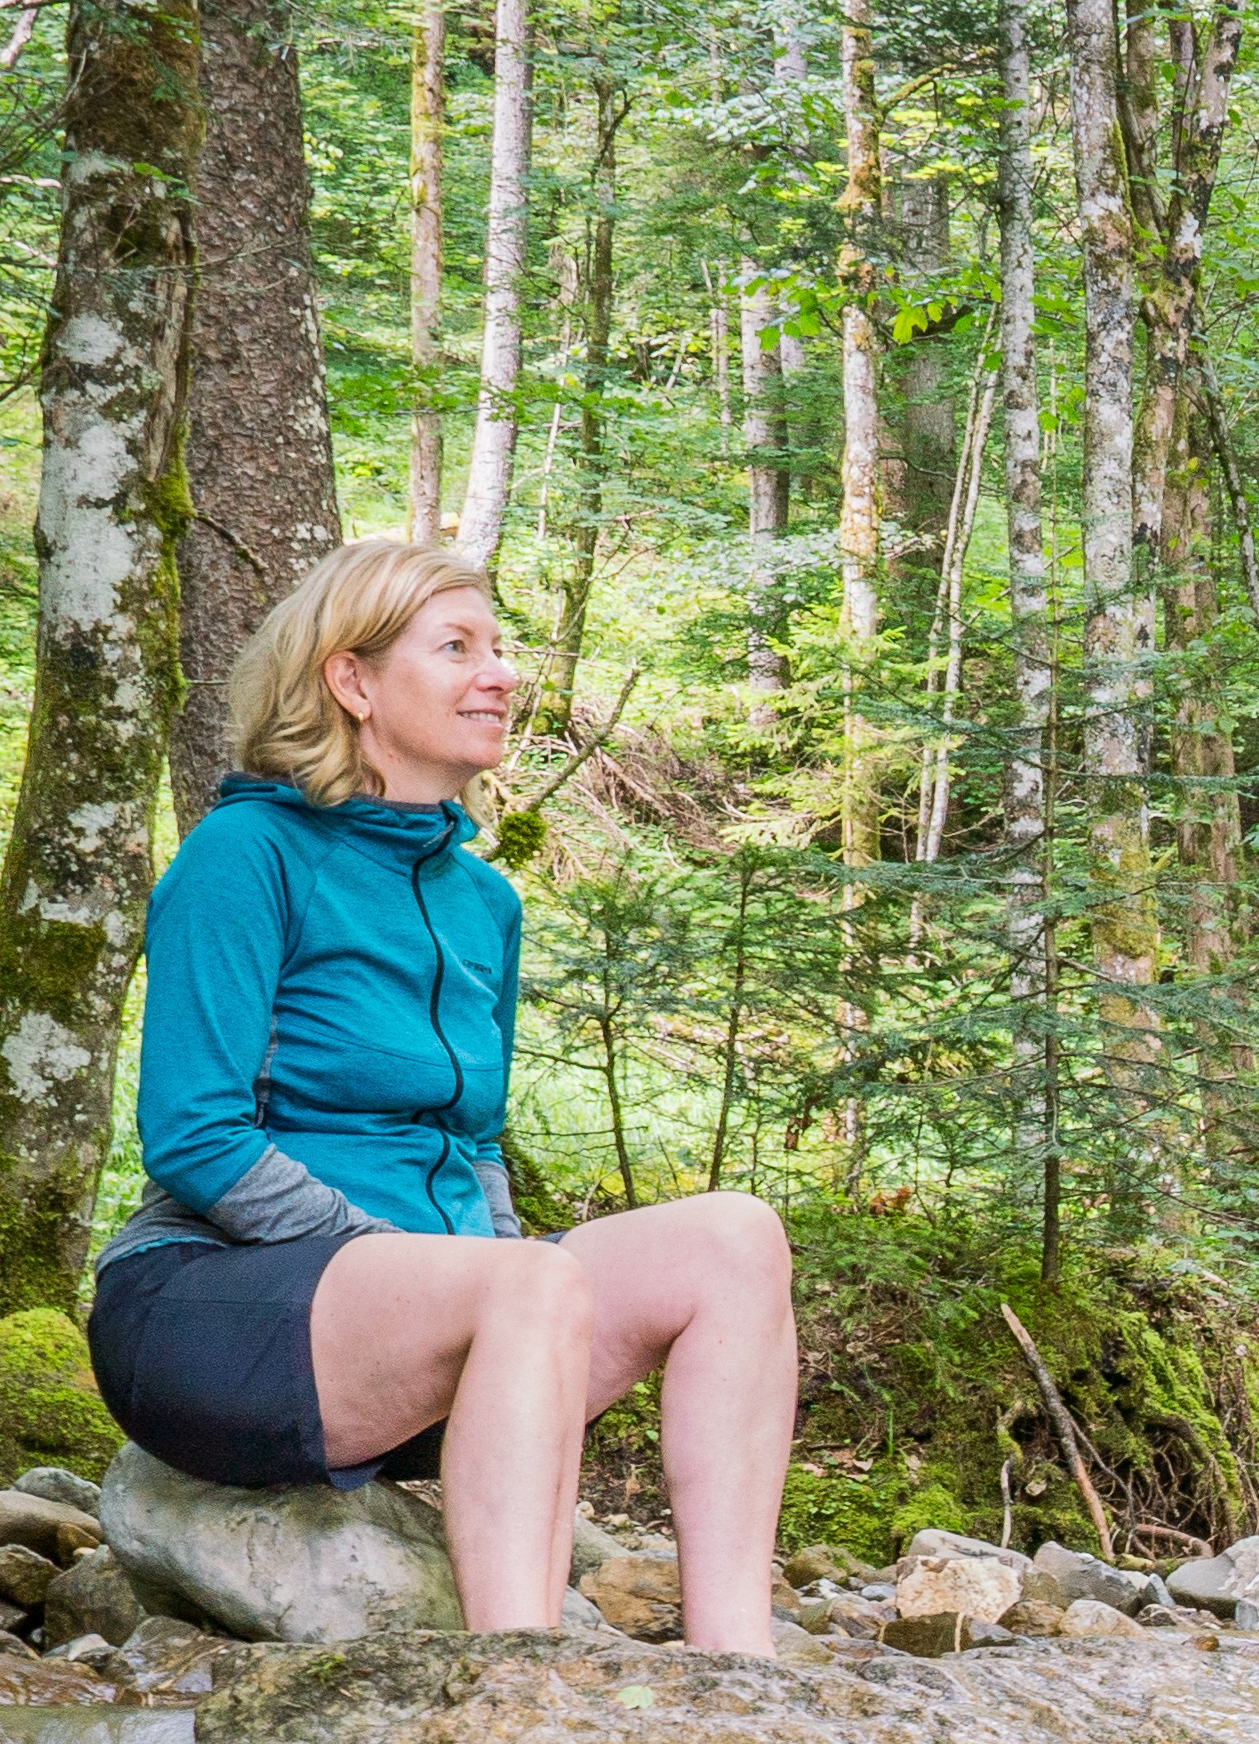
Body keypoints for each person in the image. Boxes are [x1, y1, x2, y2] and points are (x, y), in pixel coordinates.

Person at [85, 537, 795, 1651]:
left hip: (440, 1337)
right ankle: (514, 1678)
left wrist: (482, 1271)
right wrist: (417, 1266)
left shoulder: (484, 903)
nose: (501, 674)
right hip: (212, 1317)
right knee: (527, 1283)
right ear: (352, 680)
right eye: (458, 648)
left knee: (735, 1239)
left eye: (499, 648)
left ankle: (736, 1666)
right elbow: (193, 1133)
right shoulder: (245, 852)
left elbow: (478, 1146)